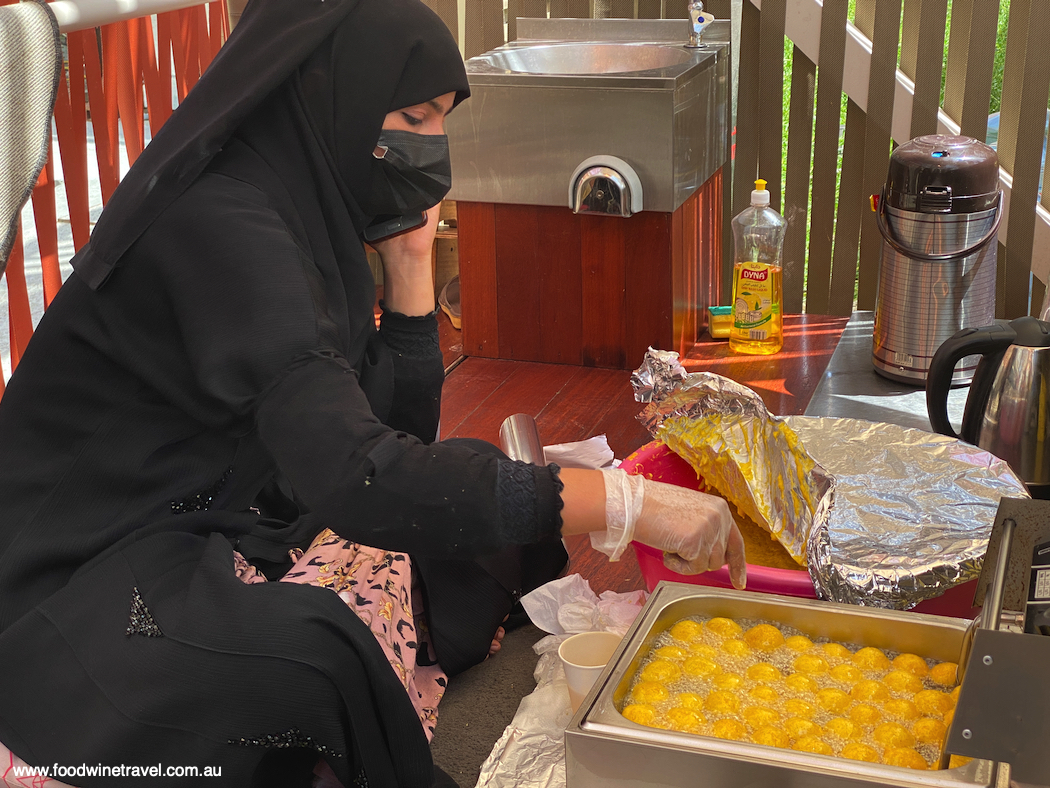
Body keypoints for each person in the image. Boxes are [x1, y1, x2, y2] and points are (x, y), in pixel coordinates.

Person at [0, 0, 746, 785]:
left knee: (478, 502)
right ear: (331, 92)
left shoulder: (302, 210)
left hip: (214, 520)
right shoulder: (220, 225)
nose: (430, 147)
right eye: (413, 116)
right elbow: (361, 477)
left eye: (442, 119)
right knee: (313, 661)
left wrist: (412, 273)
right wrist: (625, 502)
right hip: (77, 572)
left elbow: (393, 438)